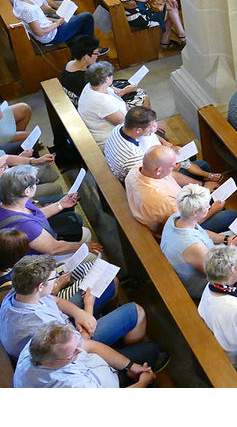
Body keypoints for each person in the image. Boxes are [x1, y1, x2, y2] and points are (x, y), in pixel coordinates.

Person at [0, 254, 147, 358]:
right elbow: (78, 347)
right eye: (54, 278)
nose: (57, 280)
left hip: (66, 332)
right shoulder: (41, 325)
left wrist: (78, 313)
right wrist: (88, 307)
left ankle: (112, 331)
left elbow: (55, 301)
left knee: (108, 282)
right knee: (137, 311)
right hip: (70, 353)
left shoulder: (18, 292)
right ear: (40, 286)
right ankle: (125, 353)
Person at [159, 185, 237, 299]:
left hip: (209, 254)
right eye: (207, 206)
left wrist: (226, 239)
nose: (210, 206)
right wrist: (230, 249)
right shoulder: (194, 247)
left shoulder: (177, 217)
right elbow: (217, 275)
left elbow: (202, 232)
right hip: (203, 281)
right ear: (195, 212)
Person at [13, 321, 160, 388]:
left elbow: (90, 345)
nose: (80, 350)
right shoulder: (70, 386)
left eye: (77, 345)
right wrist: (142, 383)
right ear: (49, 363)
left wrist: (130, 366)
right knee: (151, 350)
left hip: (100, 369)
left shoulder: (40, 343)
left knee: (150, 349)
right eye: (73, 352)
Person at [125, 145, 231, 234]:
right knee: (229, 215)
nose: (177, 166)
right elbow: (184, 223)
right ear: (158, 171)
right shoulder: (163, 200)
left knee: (203, 166)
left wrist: (202, 184)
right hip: (178, 226)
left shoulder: (139, 167)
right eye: (172, 165)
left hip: (179, 203)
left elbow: (172, 175)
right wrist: (213, 209)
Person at [0, 166, 101, 257]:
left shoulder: (13, 202)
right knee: (94, 254)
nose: (36, 184)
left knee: (85, 233)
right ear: (26, 191)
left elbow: (34, 216)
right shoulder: (26, 226)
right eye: (35, 182)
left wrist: (60, 205)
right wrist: (83, 246)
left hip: (42, 243)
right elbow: (54, 248)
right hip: (38, 259)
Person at [105, 106, 217, 185]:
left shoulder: (123, 127)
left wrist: (164, 142)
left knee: (186, 154)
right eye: (152, 126)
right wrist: (172, 167)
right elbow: (154, 176)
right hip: (147, 178)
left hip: (154, 157)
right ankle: (203, 183)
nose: (155, 127)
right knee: (202, 165)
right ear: (138, 130)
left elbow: (149, 134)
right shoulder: (132, 157)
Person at [13, 0, 95, 46]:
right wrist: (58, 23)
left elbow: (40, 19)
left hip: (51, 27)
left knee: (75, 20)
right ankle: (91, 47)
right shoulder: (28, 10)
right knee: (87, 17)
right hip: (52, 36)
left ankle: (82, 44)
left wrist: (56, 20)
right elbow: (40, 33)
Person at [61, 36, 141, 108]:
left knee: (130, 85)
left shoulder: (72, 64)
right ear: (86, 56)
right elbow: (101, 98)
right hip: (96, 105)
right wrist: (124, 91)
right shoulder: (80, 79)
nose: (98, 55)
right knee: (141, 95)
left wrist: (113, 88)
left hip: (99, 92)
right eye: (96, 53)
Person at [77, 61, 127, 147]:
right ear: (107, 79)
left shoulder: (90, 86)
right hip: (109, 140)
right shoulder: (100, 101)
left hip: (117, 125)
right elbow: (125, 123)